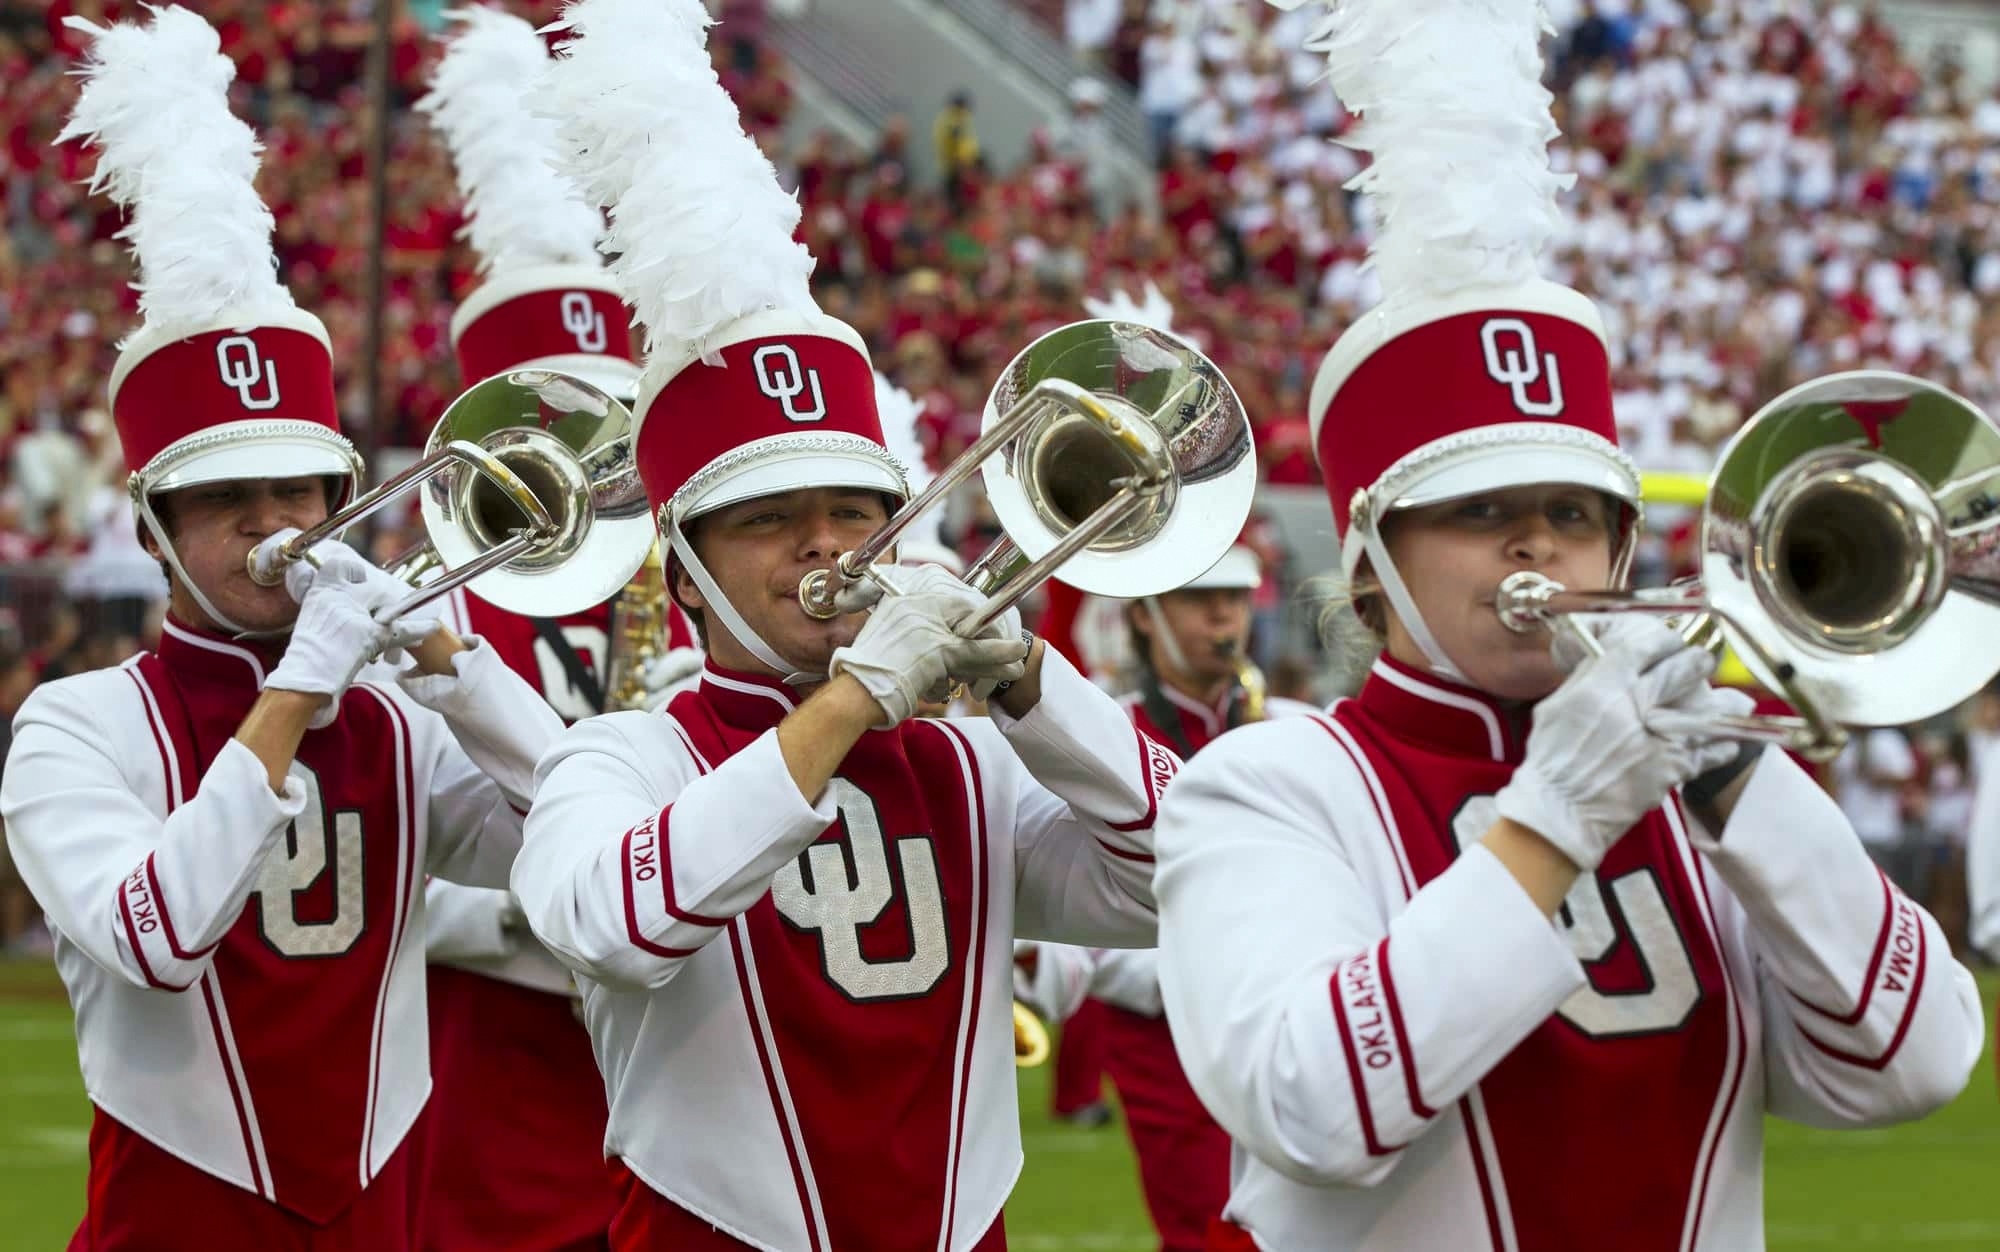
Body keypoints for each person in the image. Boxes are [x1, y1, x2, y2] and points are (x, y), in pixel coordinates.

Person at [1152, 3, 1984, 1248]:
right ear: (1372, 562)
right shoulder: (1265, 784)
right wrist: (1556, 814)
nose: (1534, 545)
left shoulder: (1695, 795)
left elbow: (1912, 1061)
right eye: (1478, 511)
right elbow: (1310, 1105)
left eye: (1570, 511)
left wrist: (1744, 776)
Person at [515, 4, 1174, 1247]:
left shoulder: (969, 758)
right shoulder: (621, 758)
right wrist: (850, 703)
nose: (825, 542)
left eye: (853, 509)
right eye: (772, 520)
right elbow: (619, 928)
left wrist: (1031, 677)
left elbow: (1174, 876)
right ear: (686, 564)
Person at [0, 9, 561, 1247]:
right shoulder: (75, 725)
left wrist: (449, 664)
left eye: (298, 493)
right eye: (225, 502)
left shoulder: (396, 723)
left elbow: (576, 829)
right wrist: (298, 689)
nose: (274, 526)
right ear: (152, 529)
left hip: (388, 1215)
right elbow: (155, 938)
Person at [407, 15, 702, 1248]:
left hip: (673, 1048)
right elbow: (378, 873)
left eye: (614, 430)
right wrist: (539, 909)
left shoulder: (686, 579)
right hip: (492, 1046)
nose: (595, 466)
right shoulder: (427, 604)